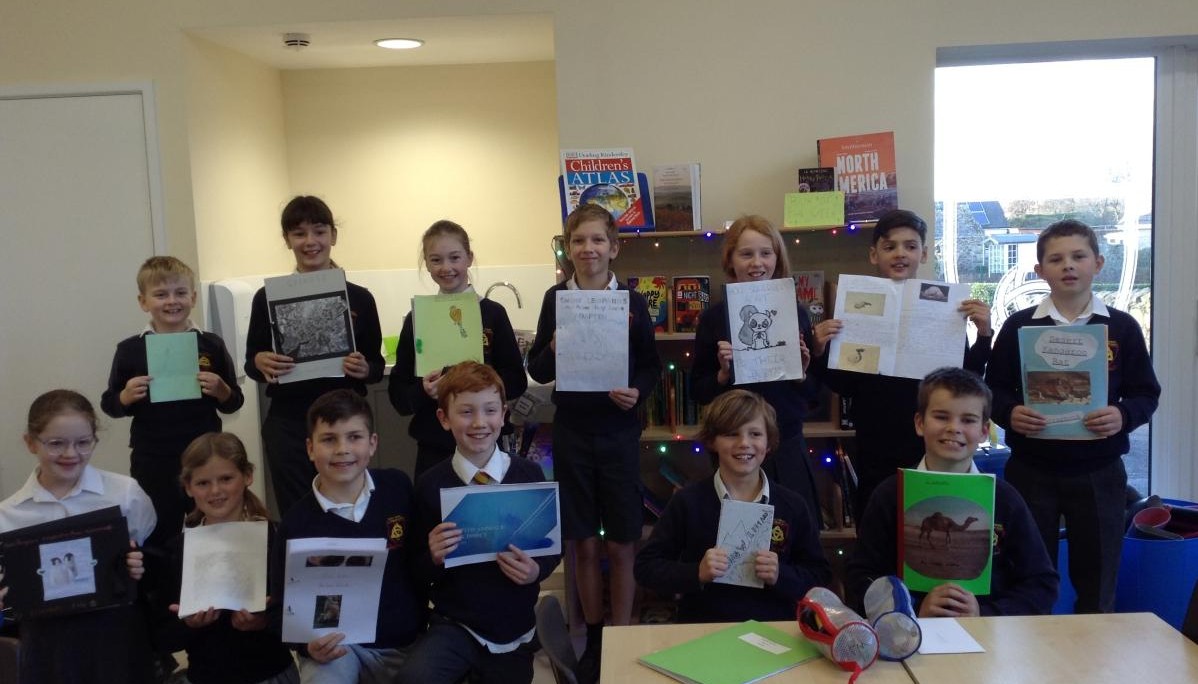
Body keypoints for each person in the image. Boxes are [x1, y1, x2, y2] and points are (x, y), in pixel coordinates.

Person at [985, 219, 1159, 614]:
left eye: (1078, 256)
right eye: (1056, 258)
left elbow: (1146, 393)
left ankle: (1092, 665)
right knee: (1027, 574)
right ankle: (1031, 662)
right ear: (1039, 270)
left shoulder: (1121, 327)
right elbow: (992, 389)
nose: (1068, 266)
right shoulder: (1018, 326)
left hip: (1099, 471)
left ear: (1097, 263)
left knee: (1098, 579)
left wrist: (1122, 414)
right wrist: (1010, 413)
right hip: (1031, 470)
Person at [526, 203, 661, 684]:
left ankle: (622, 635)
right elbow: (537, 370)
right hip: (573, 433)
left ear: (614, 247)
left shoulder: (630, 299)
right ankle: (594, 636)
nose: (588, 250)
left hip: (619, 431)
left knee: (624, 539)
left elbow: (650, 365)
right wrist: (554, 349)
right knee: (581, 540)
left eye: (598, 240)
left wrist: (638, 392)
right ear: (568, 248)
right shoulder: (554, 298)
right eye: (579, 241)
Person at [811, 209, 993, 518]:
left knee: (932, 517)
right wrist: (818, 351)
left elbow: (965, 380)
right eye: (890, 246)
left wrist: (984, 335)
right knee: (876, 520)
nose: (900, 254)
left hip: (931, 439)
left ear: (924, 253)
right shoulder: (856, 304)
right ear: (874, 254)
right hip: (875, 438)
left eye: (910, 246)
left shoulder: (946, 308)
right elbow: (844, 385)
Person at [848, 367, 1058, 616]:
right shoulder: (889, 495)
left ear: (983, 431)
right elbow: (859, 577)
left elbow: (1042, 583)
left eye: (968, 420)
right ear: (919, 423)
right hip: (907, 636)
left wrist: (985, 613)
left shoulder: (1005, 499)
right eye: (941, 416)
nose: (954, 428)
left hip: (987, 637)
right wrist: (911, 609)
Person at [401, 361, 560, 684]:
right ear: (444, 419)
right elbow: (414, 569)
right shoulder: (431, 485)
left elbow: (551, 546)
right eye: (466, 412)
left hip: (512, 626)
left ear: (503, 415)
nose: (479, 423)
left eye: (489, 411)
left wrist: (535, 572)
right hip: (455, 623)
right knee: (415, 678)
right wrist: (432, 556)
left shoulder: (528, 475)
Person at [0, 389, 157, 683]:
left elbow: (143, 547)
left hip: (115, 640)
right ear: (31, 443)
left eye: (83, 442)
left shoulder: (125, 494)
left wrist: (136, 563)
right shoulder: (8, 515)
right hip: (48, 647)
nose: (71, 454)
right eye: (56, 443)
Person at [634, 389, 830, 622]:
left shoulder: (792, 505)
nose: (744, 443)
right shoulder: (688, 501)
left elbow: (819, 574)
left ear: (769, 443)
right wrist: (696, 572)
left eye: (755, 434)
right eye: (731, 434)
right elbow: (646, 568)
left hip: (774, 629)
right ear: (712, 441)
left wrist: (781, 574)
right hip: (703, 627)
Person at [245, 196, 385, 516]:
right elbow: (251, 361)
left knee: (350, 505)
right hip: (289, 423)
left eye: (319, 231)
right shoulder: (266, 298)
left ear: (333, 236)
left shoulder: (360, 297)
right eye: (299, 233)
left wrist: (365, 368)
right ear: (287, 240)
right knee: (298, 512)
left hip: (344, 421)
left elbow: (376, 366)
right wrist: (259, 362)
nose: (310, 242)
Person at [273, 389, 423, 683]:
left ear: (372, 443)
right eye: (329, 439)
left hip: (405, 642)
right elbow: (280, 605)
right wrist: (305, 645)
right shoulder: (295, 523)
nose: (342, 449)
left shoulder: (397, 488)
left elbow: (418, 563)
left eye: (354, 437)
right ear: (310, 448)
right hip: (337, 648)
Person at [101, 255, 244, 548]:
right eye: (160, 294)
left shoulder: (210, 344)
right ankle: (161, 592)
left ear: (192, 297)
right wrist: (125, 396)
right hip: (154, 456)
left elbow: (233, 403)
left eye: (180, 293)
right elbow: (109, 404)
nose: (171, 301)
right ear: (143, 302)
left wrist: (222, 390)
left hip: (205, 453)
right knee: (156, 529)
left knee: (212, 527)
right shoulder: (130, 350)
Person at [690, 215, 820, 524]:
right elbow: (698, 390)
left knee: (793, 535)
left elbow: (815, 394)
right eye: (746, 254)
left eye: (766, 253)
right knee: (737, 539)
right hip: (736, 446)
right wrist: (722, 374)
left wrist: (802, 373)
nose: (756, 263)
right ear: (730, 259)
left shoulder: (795, 313)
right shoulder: (713, 318)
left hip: (786, 441)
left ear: (778, 257)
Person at [146, 432, 298, 684]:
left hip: (271, 673)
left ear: (247, 476)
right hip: (207, 675)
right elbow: (163, 636)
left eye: (226, 479)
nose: (215, 491)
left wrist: (264, 621)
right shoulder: (177, 550)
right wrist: (189, 625)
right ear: (188, 487)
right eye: (203, 483)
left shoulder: (277, 537)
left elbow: (299, 619)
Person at [388, 220, 527, 478]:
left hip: (485, 443)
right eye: (436, 260)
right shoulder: (417, 318)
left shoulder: (493, 314)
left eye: (455, 258)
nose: (446, 268)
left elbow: (517, 380)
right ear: (427, 264)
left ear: (469, 259)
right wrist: (423, 390)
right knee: (434, 516)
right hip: (435, 445)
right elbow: (398, 394)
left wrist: (482, 386)